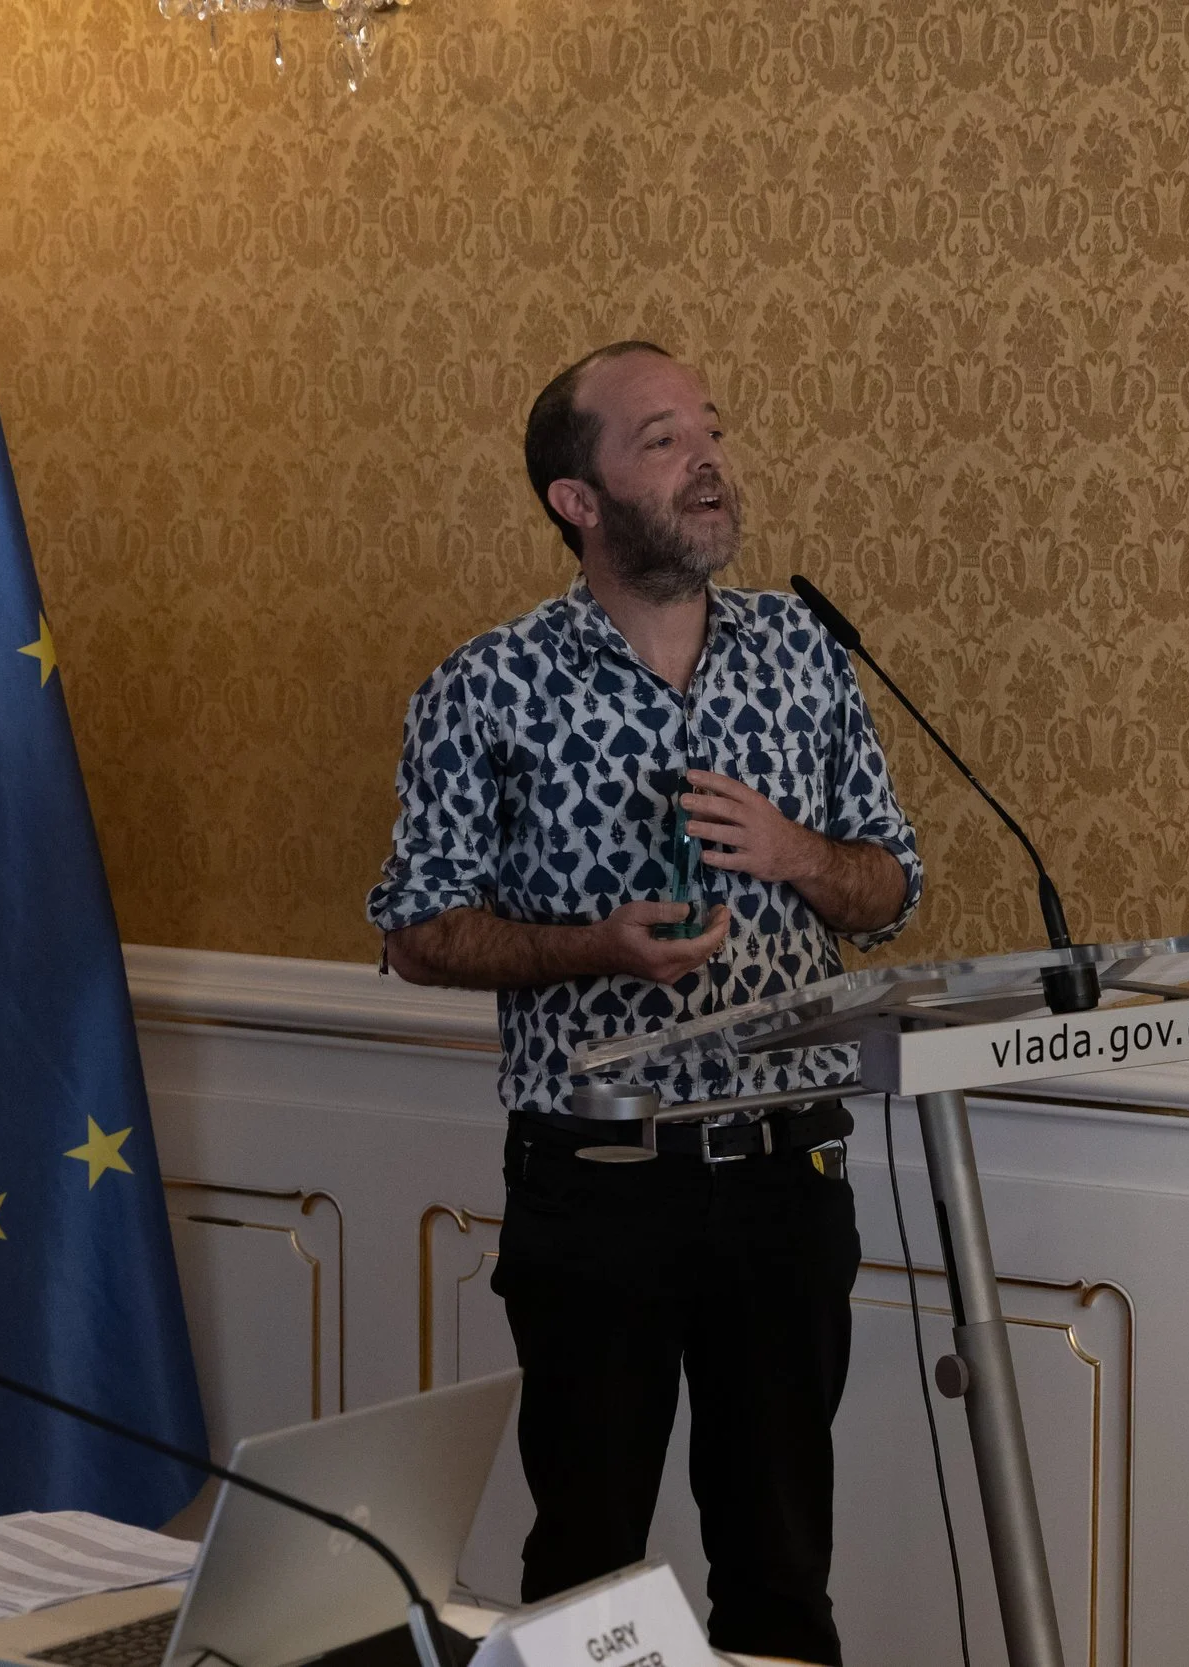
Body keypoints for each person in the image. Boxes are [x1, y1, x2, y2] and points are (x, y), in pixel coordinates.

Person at [367, 340, 922, 1664]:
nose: (708, 459)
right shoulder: (487, 685)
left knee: (782, 1572)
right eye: (663, 438)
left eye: (711, 429)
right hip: (598, 1183)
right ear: (580, 496)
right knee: (586, 1575)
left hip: (786, 1174)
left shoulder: (802, 652)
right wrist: (594, 947)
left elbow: (889, 885)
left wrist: (793, 851)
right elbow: (414, 930)